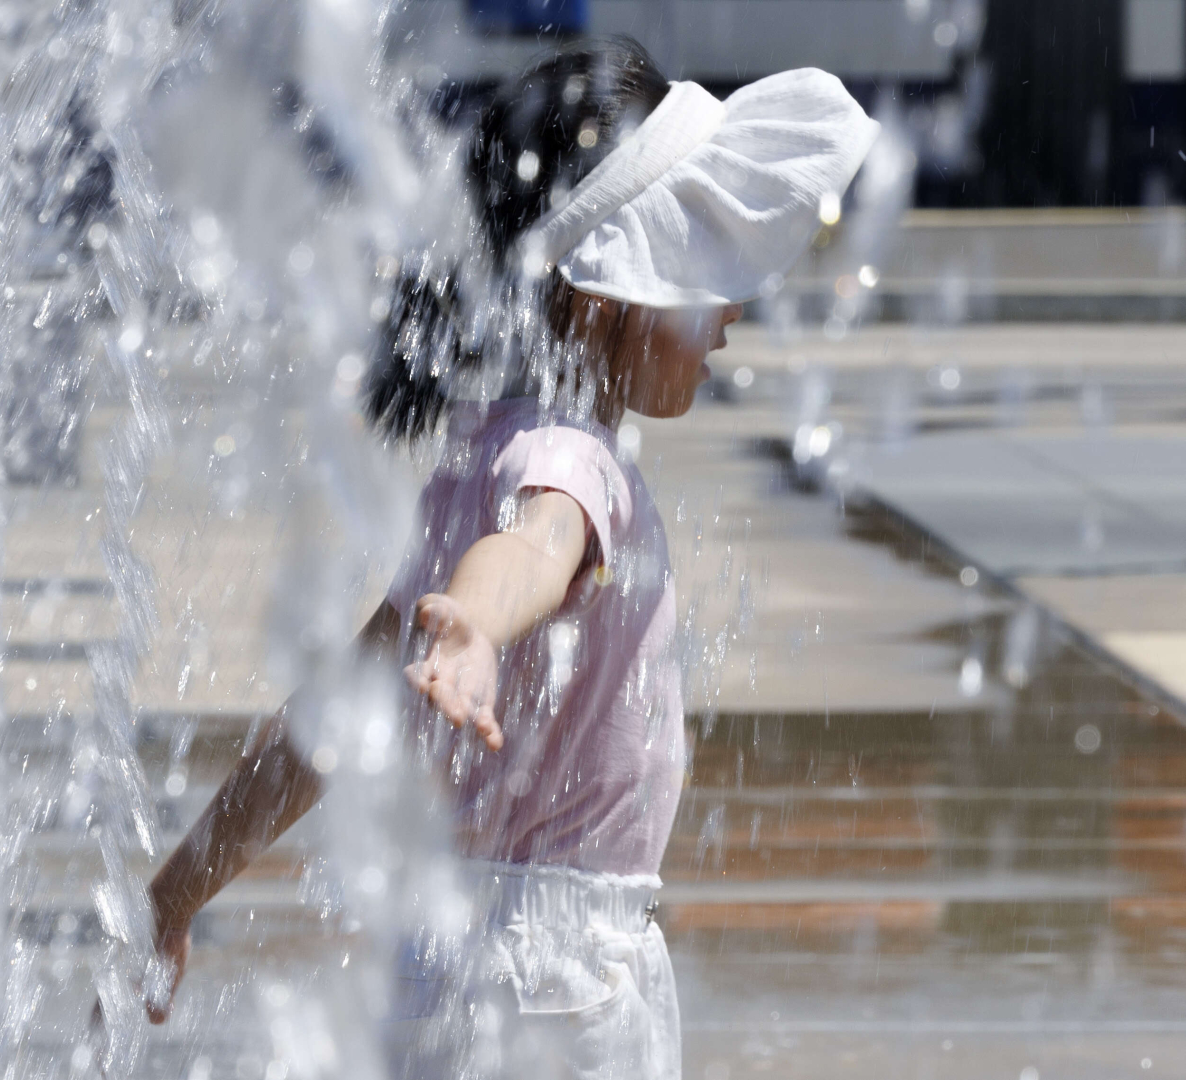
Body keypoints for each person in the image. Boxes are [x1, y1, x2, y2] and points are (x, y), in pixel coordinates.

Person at [135, 36, 879, 1078]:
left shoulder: (480, 455)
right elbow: (536, 546)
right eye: (703, 274)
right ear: (603, 297)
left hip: (453, 966)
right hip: (561, 982)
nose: (731, 313)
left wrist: (178, 890)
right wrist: (481, 626)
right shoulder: (571, 463)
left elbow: (326, 722)